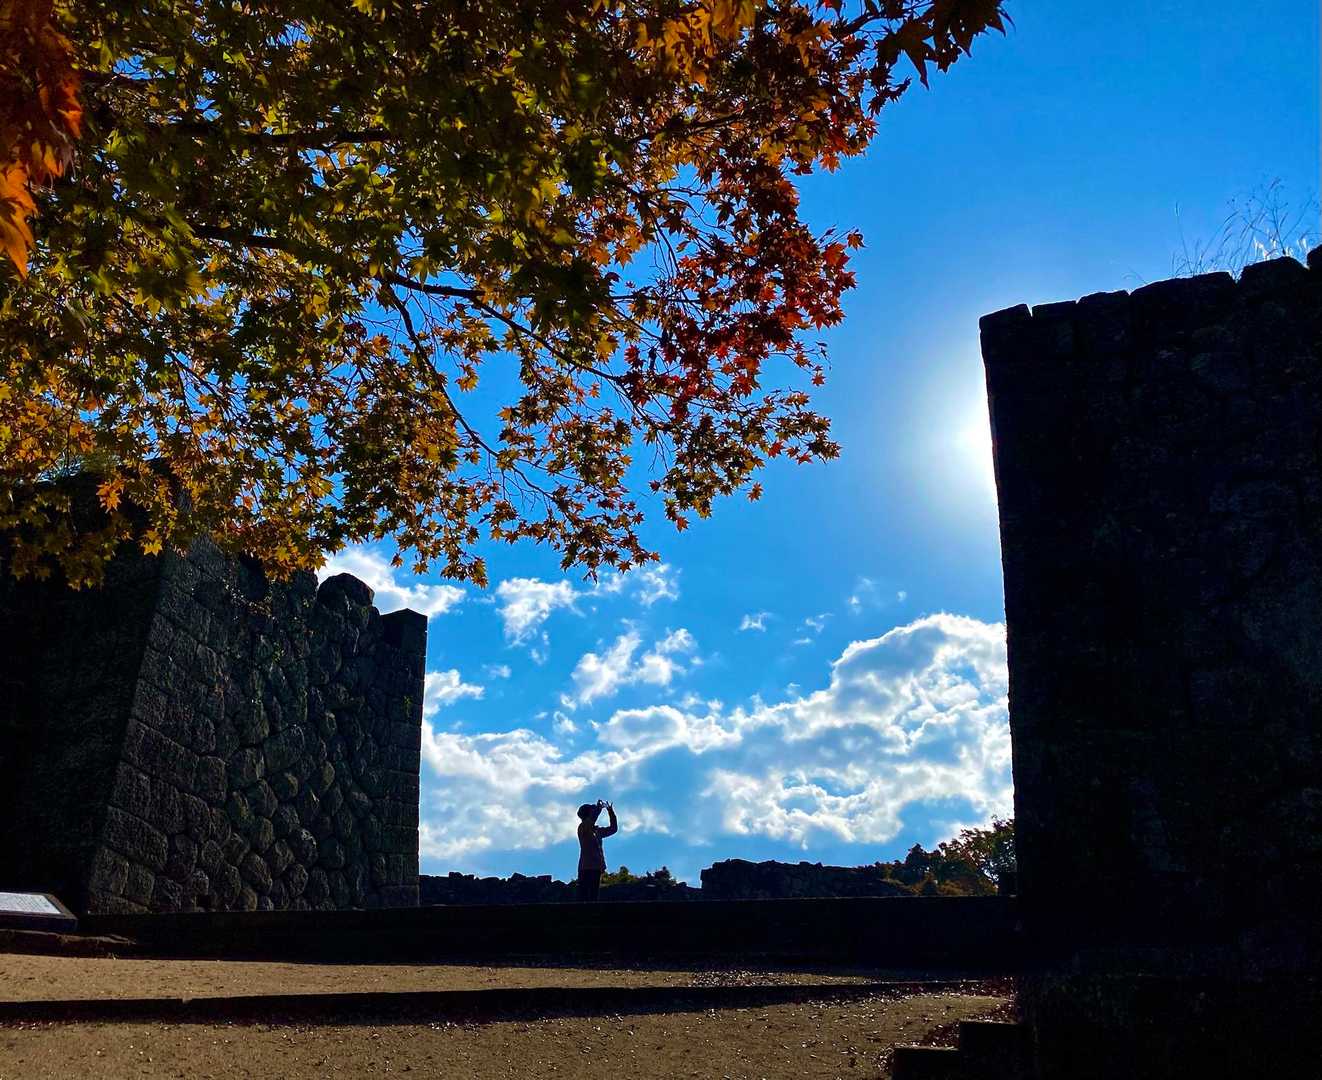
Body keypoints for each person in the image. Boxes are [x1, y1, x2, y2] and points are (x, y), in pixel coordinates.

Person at [576, 799, 617, 901]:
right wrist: (598, 809)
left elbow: (613, 829)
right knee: (584, 897)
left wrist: (610, 812)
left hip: (596, 867)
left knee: (593, 897)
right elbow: (591, 820)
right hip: (586, 868)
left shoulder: (597, 831)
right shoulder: (582, 828)